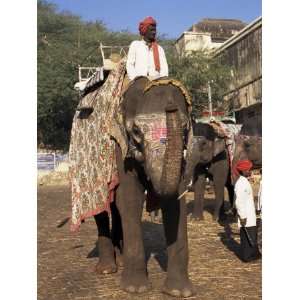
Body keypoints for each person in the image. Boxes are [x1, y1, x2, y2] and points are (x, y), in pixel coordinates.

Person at [234, 160, 261, 262]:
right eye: (248, 170)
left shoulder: (245, 181)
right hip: (246, 216)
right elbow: (239, 202)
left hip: (250, 215)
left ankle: (253, 254)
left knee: (252, 235)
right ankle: (247, 257)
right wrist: (243, 216)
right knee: (247, 237)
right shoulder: (240, 184)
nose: (250, 171)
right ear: (244, 171)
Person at [126, 16, 168, 81]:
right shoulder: (135, 45)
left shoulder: (160, 49)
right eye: (151, 30)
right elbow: (130, 65)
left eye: (155, 30)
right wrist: (136, 79)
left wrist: (161, 80)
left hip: (156, 81)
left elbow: (164, 70)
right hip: (138, 80)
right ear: (145, 30)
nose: (154, 32)